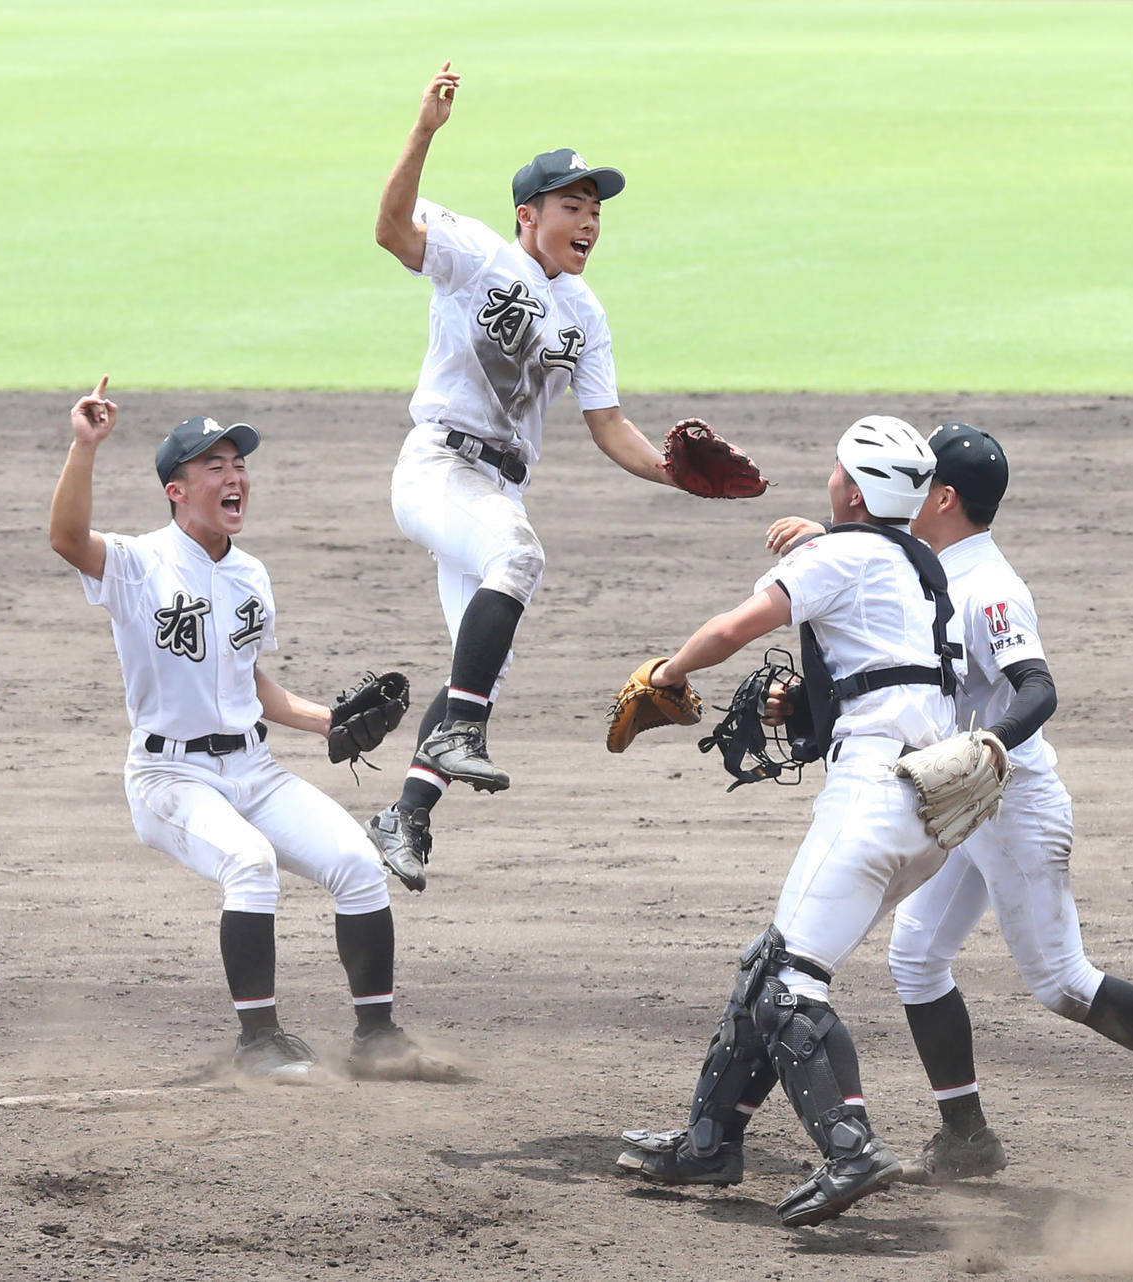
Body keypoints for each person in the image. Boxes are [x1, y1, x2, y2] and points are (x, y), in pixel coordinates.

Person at [764, 421, 1133, 1182]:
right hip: (955, 798)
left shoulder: (990, 587)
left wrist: (989, 743)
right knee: (917, 957)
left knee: (1062, 981)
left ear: (946, 497)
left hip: (1013, 800)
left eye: (923, 477)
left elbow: (1039, 687)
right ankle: (967, 1137)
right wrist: (831, 535)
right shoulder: (922, 562)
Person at [615, 416, 975, 1230]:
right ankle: (710, 1141)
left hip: (874, 795)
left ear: (850, 488)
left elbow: (734, 628)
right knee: (770, 965)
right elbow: (876, 654)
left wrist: (663, 675)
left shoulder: (836, 555)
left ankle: (852, 1148)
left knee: (788, 986)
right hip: (929, 807)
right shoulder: (920, 568)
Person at [50, 377, 443, 1084]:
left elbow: (252, 687)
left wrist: (328, 722)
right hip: (170, 777)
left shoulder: (252, 575)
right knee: (251, 864)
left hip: (253, 770)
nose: (235, 478)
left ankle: (376, 1035)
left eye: (239, 465)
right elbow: (67, 537)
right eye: (214, 466)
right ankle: (258, 1041)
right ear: (177, 489)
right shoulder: (138, 564)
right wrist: (85, 447)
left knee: (357, 863)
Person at [366, 61, 682, 892]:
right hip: (437, 466)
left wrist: (675, 474)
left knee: (484, 661)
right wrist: (423, 133)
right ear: (528, 216)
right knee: (519, 558)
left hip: (494, 488)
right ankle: (460, 728)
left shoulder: (587, 313)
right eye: (573, 207)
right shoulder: (475, 254)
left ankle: (406, 816)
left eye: (597, 211)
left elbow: (608, 425)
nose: (589, 223)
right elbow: (392, 230)